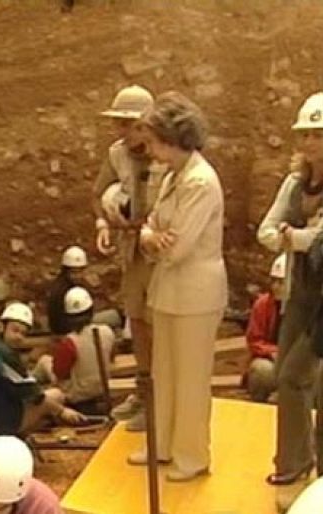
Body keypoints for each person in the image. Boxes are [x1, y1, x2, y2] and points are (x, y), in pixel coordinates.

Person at [127, 91, 227, 482]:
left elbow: (178, 246)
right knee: (164, 372)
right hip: (169, 291)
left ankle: (192, 455)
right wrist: (151, 237)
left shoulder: (201, 181)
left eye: (152, 140)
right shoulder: (173, 175)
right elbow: (150, 226)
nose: (147, 148)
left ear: (172, 138)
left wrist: (152, 238)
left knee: (191, 378)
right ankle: (163, 445)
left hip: (196, 294)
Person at [258, 91, 323, 486]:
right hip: (301, 290)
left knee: (294, 375)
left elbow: (316, 241)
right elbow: (268, 230)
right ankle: (297, 458)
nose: (311, 143)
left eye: (318, 134)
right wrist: (299, 237)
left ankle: (296, 461)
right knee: (286, 372)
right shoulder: (295, 183)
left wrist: (295, 237)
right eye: (306, 135)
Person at [93, 84, 167, 433]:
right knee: (136, 320)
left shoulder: (166, 155)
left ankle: (162, 399)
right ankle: (144, 391)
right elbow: (98, 193)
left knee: (160, 324)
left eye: (126, 123)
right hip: (132, 247)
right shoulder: (117, 154)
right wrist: (103, 221)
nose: (120, 131)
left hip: (162, 253)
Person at [0, 302, 85, 439]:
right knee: (56, 396)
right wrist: (62, 411)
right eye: (15, 330)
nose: (19, 336)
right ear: (3, 327)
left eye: (23, 333)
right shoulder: (4, 355)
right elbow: (36, 396)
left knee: (51, 399)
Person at [46, 287, 115, 412]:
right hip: (103, 388)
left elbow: (59, 373)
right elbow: (111, 356)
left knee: (44, 362)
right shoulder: (107, 331)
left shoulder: (69, 343)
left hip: (78, 395)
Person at [244, 254, 286, 402]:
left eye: (282, 282)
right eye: (274, 281)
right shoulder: (262, 305)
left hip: (298, 361)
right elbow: (254, 340)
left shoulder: (308, 307)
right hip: (270, 360)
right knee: (261, 371)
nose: (276, 286)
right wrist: (273, 352)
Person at [47, 245, 88, 336]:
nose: (78, 276)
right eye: (74, 272)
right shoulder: (61, 291)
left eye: (80, 272)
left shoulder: (76, 286)